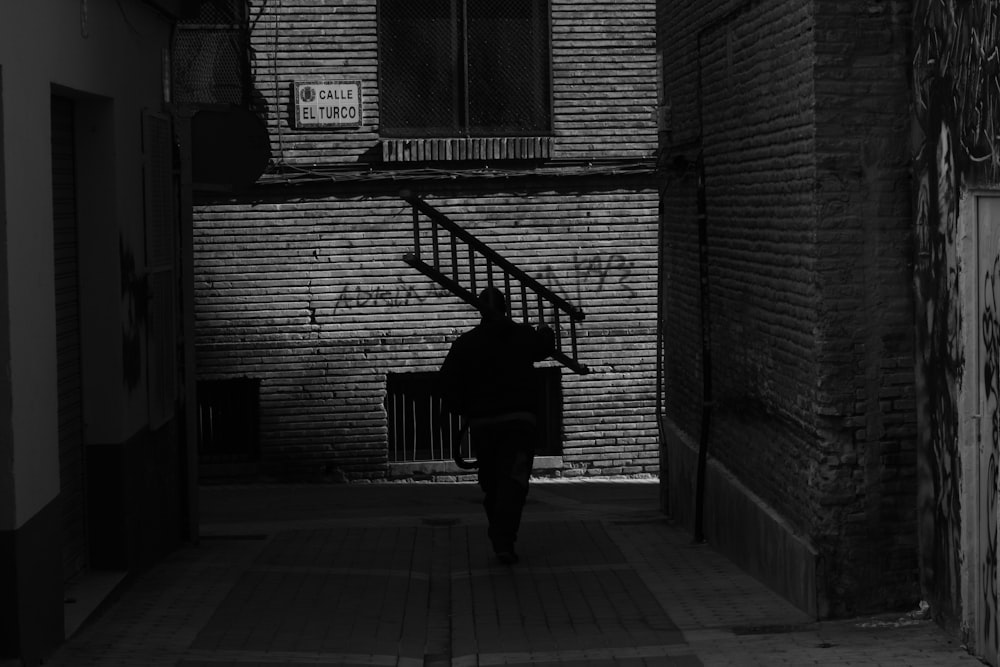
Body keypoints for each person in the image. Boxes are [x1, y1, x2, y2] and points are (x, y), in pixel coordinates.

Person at [439, 286, 555, 564]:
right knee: (512, 482)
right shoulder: (522, 335)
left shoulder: (467, 343)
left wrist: (462, 409)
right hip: (519, 424)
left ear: (480, 309)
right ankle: (504, 538)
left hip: (484, 424)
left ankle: (500, 535)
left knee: (492, 483)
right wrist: (546, 330)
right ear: (505, 307)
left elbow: (447, 381)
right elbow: (544, 346)